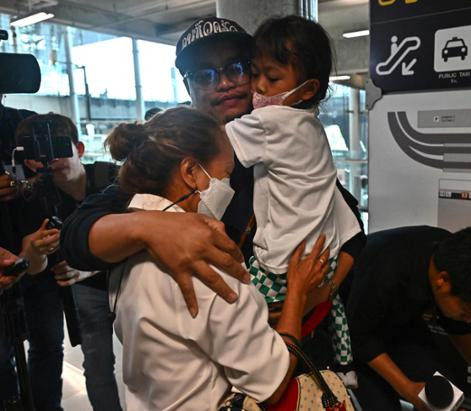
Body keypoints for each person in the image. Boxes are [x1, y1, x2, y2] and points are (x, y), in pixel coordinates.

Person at [60, 15, 365, 319]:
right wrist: (147, 227)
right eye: (204, 75)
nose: (224, 83)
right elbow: (76, 235)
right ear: (187, 86)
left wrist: (316, 297)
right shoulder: (169, 153)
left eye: (237, 68)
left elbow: (351, 229)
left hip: (289, 332)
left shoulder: (288, 144)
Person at [105, 106, 329, 409]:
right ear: (191, 172)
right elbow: (272, 382)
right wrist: (297, 295)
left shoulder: (124, 247)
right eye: (225, 174)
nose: (227, 186)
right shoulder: (202, 264)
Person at [225, 15, 361, 378]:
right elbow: (353, 228)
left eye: (271, 78)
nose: (256, 86)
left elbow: (215, 145)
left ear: (305, 90)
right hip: (323, 257)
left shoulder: (270, 122)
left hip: (286, 267)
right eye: (253, 73)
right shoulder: (312, 126)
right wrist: (325, 290)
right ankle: (344, 363)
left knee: (249, 327)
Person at [6, 113, 121, 410]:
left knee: (114, 359)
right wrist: (35, 252)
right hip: (50, 284)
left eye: (59, 148)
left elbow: (135, 239)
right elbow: (32, 268)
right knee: (49, 350)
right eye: (35, 152)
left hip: (111, 280)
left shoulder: (112, 181)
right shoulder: (29, 196)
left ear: (80, 149)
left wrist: (88, 262)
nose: (50, 160)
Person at [347, 224, 471, 411]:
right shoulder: (387, 269)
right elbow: (360, 336)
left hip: (399, 323)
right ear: (443, 280)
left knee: (446, 397)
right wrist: (407, 388)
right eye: (466, 310)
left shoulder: (451, 258)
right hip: (350, 330)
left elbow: (455, 323)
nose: (469, 319)